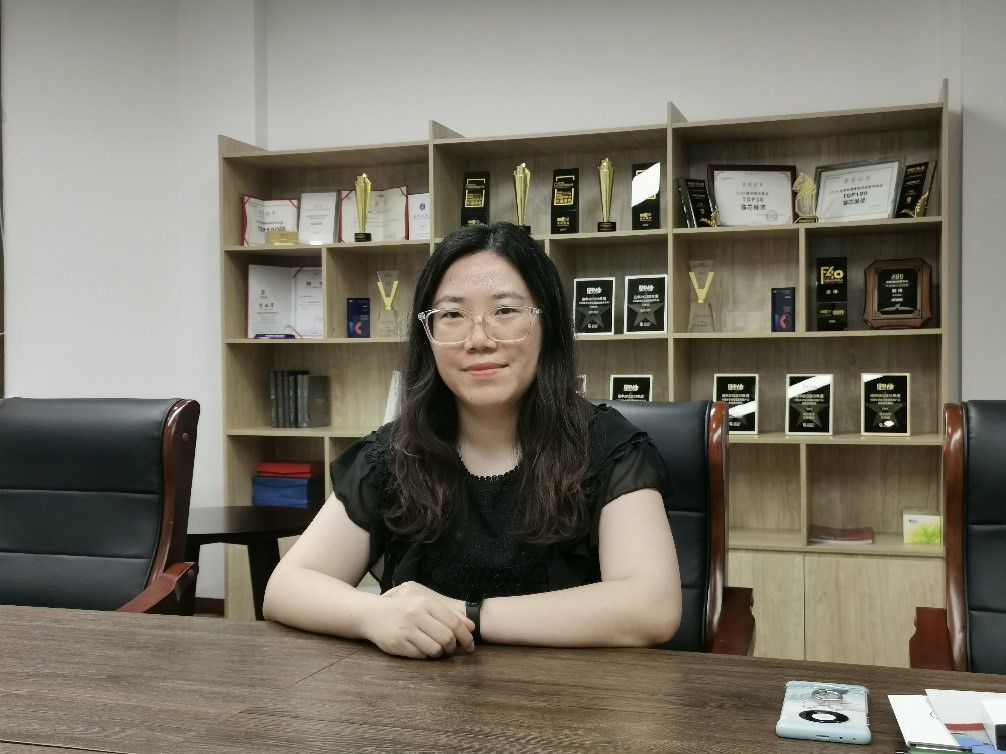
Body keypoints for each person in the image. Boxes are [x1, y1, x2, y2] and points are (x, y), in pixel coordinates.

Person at [263, 221, 681, 659]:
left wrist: (467, 615)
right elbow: (285, 587)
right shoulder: (394, 456)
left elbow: (652, 607)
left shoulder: (610, 448)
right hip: (420, 698)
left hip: (574, 696)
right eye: (452, 315)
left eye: (505, 311)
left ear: (548, 324)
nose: (478, 340)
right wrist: (373, 614)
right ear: (428, 335)